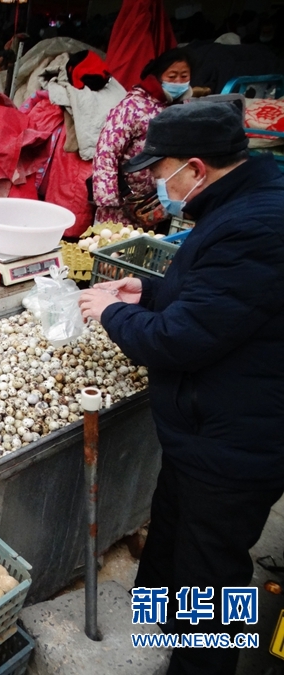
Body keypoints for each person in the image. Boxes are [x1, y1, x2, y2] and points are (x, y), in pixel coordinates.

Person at [79, 103, 284, 675]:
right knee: (172, 527)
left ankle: (201, 667)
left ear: (195, 168)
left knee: (212, 569)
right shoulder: (243, 201)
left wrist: (110, 315)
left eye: (160, 169)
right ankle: (160, 624)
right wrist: (148, 294)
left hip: (239, 439)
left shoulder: (256, 224)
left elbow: (181, 340)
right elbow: (223, 304)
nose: (155, 183)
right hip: (205, 429)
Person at [92, 47, 193, 227]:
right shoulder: (133, 106)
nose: (178, 82)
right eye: (172, 76)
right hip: (125, 200)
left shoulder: (184, 108)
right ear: (158, 76)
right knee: (114, 246)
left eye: (184, 76)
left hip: (159, 202)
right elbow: (106, 152)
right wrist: (112, 197)